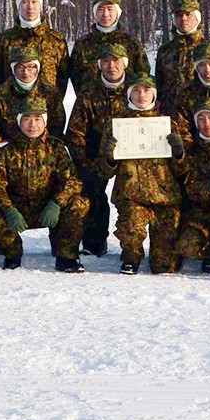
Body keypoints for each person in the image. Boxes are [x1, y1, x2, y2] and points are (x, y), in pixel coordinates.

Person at [0, 99, 88, 272]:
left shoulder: (56, 148)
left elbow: (71, 181)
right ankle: (12, 252)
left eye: (38, 118)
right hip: (16, 209)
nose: (33, 124)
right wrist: (9, 210)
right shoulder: (5, 151)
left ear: (45, 121)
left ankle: (67, 256)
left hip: (47, 207)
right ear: (18, 121)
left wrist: (56, 203)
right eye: (26, 118)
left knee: (78, 203)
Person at [106, 73, 183, 275]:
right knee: (131, 228)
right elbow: (103, 171)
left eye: (146, 90)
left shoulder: (168, 125)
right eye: (136, 91)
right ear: (129, 95)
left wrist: (178, 154)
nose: (141, 95)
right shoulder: (117, 125)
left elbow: (182, 170)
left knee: (164, 266)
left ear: (154, 94)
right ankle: (131, 257)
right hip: (131, 197)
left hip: (164, 198)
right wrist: (109, 157)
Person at [64, 40, 132, 257]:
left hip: (133, 156)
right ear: (99, 65)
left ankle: (135, 244)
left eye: (116, 61)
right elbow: (75, 132)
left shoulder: (137, 89)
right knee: (90, 189)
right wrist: (87, 163)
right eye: (106, 61)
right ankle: (94, 242)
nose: (112, 66)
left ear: (125, 64)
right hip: (95, 155)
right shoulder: (88, 93)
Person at [167, 98, 210, 275]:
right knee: (187, 246)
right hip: (202, 212)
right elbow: (190, 186)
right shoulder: (192, 151)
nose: (207, 124)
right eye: (201, 119)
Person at [0, 0, 72, 112]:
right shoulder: (4, 40)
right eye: (25, 2)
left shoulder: (55, 40)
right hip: (12, 113)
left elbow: (63, 77)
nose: (30, 7)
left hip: (47, 110)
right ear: (18, 6)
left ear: (40, 6)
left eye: (34, 2)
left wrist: (54, 103)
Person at [70, 0, 149, 100]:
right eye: (100, 9)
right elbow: (76, 77)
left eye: (109, 9)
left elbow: (142, 77)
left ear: (117, 12)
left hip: (125, 108)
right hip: (93, 108)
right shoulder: (83, 44)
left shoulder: (132, 43)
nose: (105, 14)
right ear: (94, 12)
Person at [0, 45, 65, 151]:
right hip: (10, 157)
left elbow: (56, 130)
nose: (26, 72)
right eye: (20, 67)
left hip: (44, 156)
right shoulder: (0, 95)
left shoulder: (50, 93)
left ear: (38, 68)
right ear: (13, 69)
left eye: (31, 67)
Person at [154, 0, 208, 121]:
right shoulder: (165, 50)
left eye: (188, 14)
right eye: (179, 15)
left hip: (200, 119)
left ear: (197, 17)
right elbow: (159, 85)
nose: (183, 19)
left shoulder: (208, 50)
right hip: (170, 119)